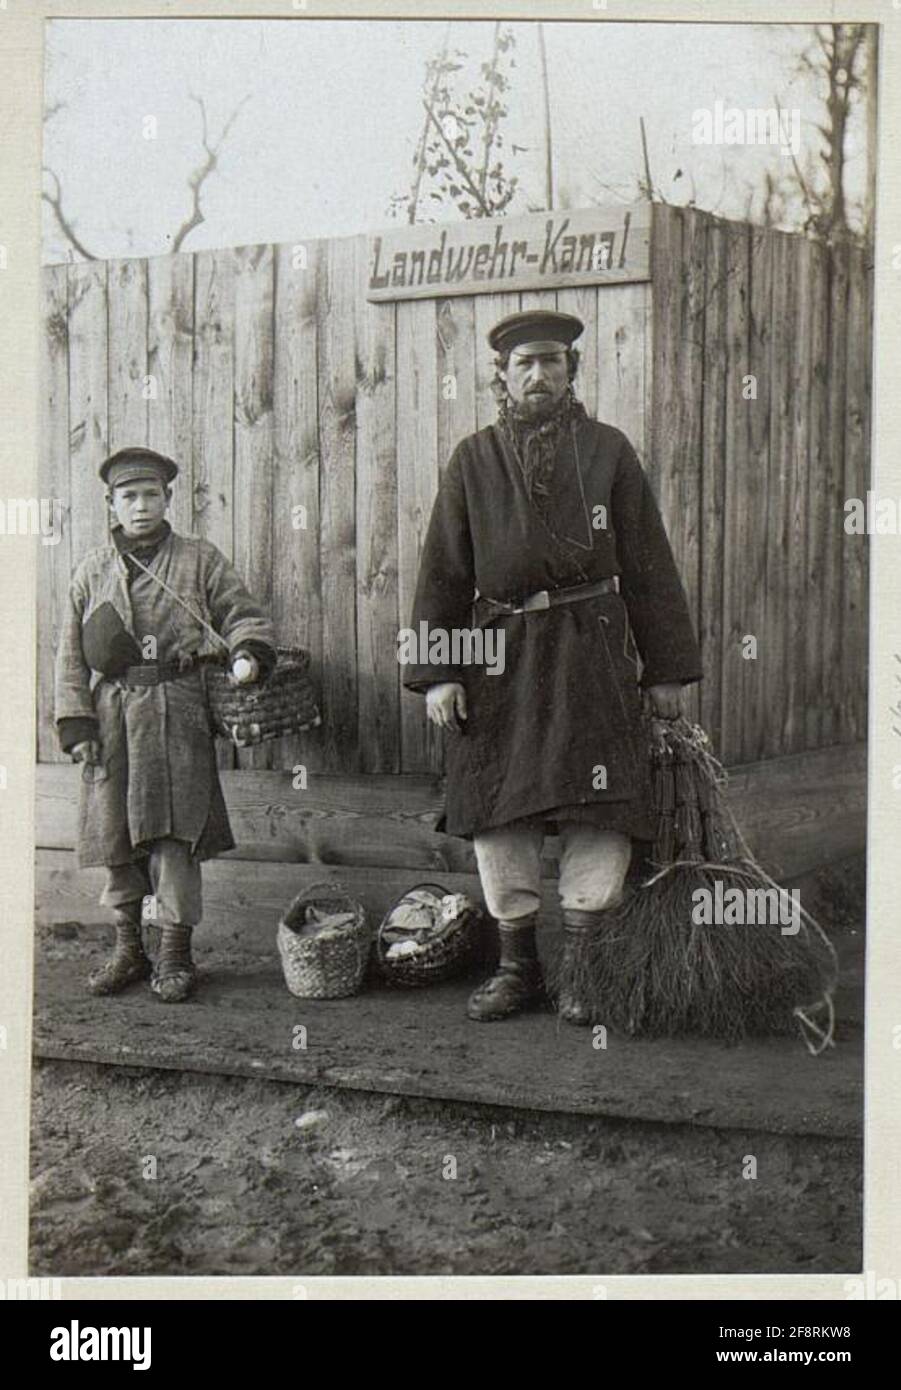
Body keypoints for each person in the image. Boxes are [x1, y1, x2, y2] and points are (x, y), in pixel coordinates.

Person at [402, 310, 703, 1024]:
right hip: (497, 659)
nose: (538, 375)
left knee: (598, 808)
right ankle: (517, 969)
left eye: (552, 362)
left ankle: (586, 973)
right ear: (500, 378)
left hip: (593, 651)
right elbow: (442, 569)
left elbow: (650, 566)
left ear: (572, 371)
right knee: (497, 808)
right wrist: (439, 670)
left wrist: (665, 670)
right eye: (523, 364)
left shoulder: (608, 452)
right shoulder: (473, 459)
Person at [54, 447, 277, 1003]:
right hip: (111, 716)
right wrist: (78, 725)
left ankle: (176, 951)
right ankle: (129, 947)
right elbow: (69, 657)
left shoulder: (199, 559)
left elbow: (242, 613)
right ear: (111, 503)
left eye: (152, 494)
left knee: (176, 833)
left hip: (177, 710)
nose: (141, 506)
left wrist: (248, 651)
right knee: (114, 834)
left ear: (168, 499)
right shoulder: (89, 570)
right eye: (129, 496)